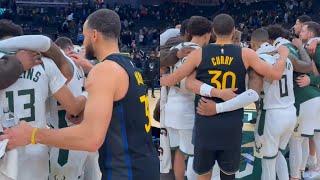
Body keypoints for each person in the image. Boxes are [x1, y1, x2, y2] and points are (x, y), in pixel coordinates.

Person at [0, 9, 160, 180]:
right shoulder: (127, 65)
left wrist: (32, 134)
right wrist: (88, 112)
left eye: (84, 36)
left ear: (94, 35)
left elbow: (91, 139)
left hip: (126, 169)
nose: (83, 43)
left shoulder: (104, 71)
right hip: (144, 162)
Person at [161, 14, 289, 180]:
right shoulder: (246, 54)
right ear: (234, 30)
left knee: (203, 173)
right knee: (228, 174)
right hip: (232, 123)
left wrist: (163, 78)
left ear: (213, 31)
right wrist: (284, 54)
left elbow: (174, 79)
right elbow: (276, 74)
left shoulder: (199, 54)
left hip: (205, 121)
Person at [0, 21, 86, 180]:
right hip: (35, 154)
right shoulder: (45, 64)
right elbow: (73, 108)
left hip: (4, 152)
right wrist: (87, 95)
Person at [164, 16, 212, 180]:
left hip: (171, 107)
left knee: (180, 151)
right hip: (188, 109)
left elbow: (162, 65)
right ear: (207, 34)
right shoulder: (202, 53)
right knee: (194, 154)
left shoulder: (177, 47)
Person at [250, 28, 296, 180]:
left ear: (253, 43)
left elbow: (254, 93)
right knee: (279, 156)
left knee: (268, 164)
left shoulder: (258, 59)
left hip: (271, 114)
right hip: (290, 111)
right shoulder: (285, 57)